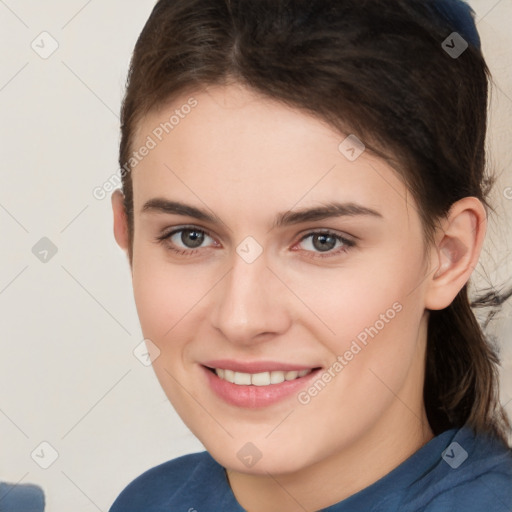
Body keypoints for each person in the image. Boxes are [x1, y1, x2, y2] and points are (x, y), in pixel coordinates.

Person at [108, 0, 512, 510]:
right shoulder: (152, 500)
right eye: (190, 236)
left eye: (323, 240)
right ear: (127, 232)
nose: (242, 318)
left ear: (448, 254)